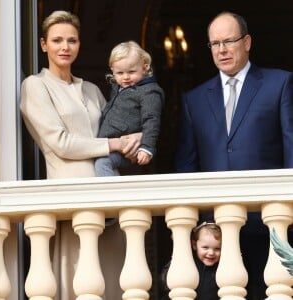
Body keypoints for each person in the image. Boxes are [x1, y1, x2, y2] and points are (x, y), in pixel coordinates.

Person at [20, 10, 141, 300]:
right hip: (71, 200)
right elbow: (60, 142)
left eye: (72, 40)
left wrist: (135, 139)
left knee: (114, 283)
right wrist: (112, 145)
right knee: (79, 283)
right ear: (43, 44)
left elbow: (115, 132)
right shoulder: (35, 86)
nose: (65, 47)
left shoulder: (91, 89)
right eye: (57, 40)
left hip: (109, 197)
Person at [174, 11, 293, 300]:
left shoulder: (279, 84)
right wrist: (197, 227)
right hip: (216, 235)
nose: (222, 50)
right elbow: (187, 167)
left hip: (271, 225)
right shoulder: (194, 100)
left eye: (229, 41)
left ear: (247, 42)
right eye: (214, 44)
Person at [95, 40, 165, 176]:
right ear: (113, 71)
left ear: (145, 68)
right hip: (109, 144)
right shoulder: (118, 88)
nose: (126, 77)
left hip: (128, 150)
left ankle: (108, 196)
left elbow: (152, 120)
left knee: (102, 162)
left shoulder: (149, 92)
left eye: (131, 71)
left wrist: (146, 148)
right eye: (120, 73)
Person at [160, 222, 222, 300]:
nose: (211, 253)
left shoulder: (221, 268)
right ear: (194, 245)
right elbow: (165, 282)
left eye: (217, 249)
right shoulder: (188, 263)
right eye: (205, 247)